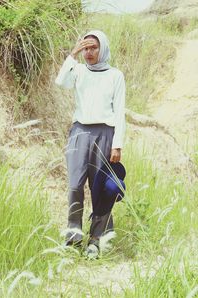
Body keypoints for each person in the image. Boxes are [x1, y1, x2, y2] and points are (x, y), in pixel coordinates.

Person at [55, 30, 125, 258]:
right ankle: (73, 235)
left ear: (102, 48)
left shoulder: (115, 75)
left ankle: (95, 240)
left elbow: (120, 112)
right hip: (79, 131)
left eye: (93, 47)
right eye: (85, 48)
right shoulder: (78, 70)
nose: (89, 52)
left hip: (105, 133)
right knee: (75, 185)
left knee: (100, 189)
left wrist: (117, 144)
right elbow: (61, 82)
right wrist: (72, 54)